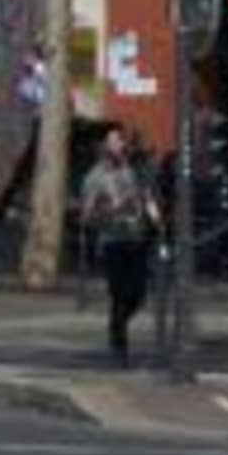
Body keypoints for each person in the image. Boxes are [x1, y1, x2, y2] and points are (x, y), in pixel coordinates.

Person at [77, 125, 160, 361]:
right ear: (103, 147)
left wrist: (156, 219)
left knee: (138, 293)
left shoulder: (134, 171)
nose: (118, 146)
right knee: (119, 293)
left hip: (137, 237)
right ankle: (119, 340)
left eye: (121, 141)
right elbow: (86, 216)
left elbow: (147, 197)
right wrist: (109, 209)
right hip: (112, 240)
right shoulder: (94, 178)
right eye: (112, 142)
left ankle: (117, 325)